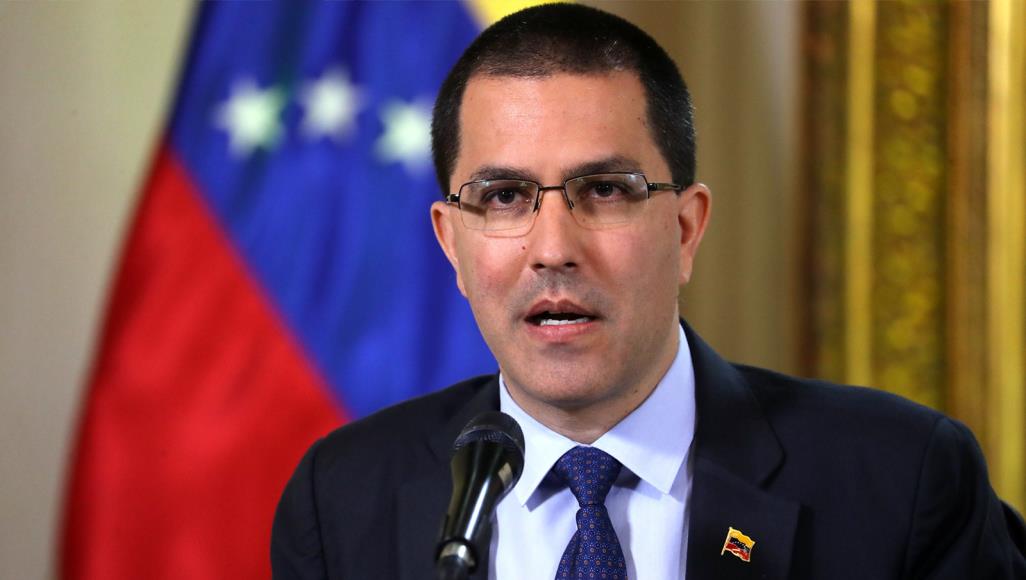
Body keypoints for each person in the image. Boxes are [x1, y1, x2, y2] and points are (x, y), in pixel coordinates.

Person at [271, 4, 1026, 579]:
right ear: (451, 244)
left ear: (686, 228)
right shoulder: (341, 502)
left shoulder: (901, 483)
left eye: (605, 189)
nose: (553, 250)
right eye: (503, 197)